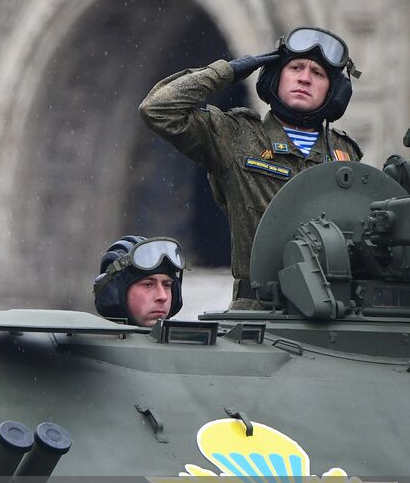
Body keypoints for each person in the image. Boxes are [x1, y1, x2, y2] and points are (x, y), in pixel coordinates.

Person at [140, 26, 363, 308]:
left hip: (331, 311)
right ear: (274, 76)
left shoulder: (345, 154)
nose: (304, 79)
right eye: (295, 68)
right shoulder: (234, 136)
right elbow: (158, 109)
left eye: (317, 74)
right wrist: (230, 71)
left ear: (335, 91)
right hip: (259, 312)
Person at [93, 235, 184, 327]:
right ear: (113, 293)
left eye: (167, 285)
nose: (162, 297)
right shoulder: (83, 339)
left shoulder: (183, 339)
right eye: (148, 285)